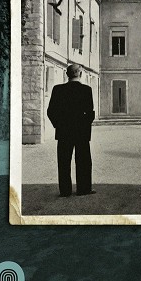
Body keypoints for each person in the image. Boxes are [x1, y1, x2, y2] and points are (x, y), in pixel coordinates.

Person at [47, 63, 95, 197]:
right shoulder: (86, 90)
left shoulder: (58, 89)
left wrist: (58, 125)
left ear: (67, 74)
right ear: (80, 74)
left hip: (64, 132)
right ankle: (83, 189)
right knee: (83, 161)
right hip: (81, 132)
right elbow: (90, 113)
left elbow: (51, 111)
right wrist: (84, 126)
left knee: (63, 162)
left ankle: (65, 191)